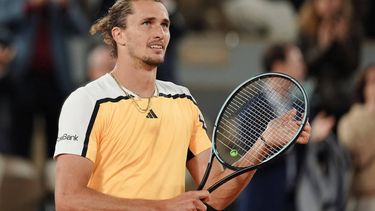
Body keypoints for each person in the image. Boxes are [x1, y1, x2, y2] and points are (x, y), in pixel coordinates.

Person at [53, 1, 311, 210]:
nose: (159, 33)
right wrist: (163, 206)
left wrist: (263, 143)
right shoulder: (86, 101)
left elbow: (216, 195)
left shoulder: (182, 101)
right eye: (147, 23)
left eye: (164, 25)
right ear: (118, 34)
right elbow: (68, 198)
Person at [236, 42, 308, 211]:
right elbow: (247, 158)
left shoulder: (299, 106)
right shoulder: (251, 110)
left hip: (290, 200)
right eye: (297, 61)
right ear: (279, 66)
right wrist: (287, 141)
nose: (303, 66)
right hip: (260, 200)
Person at [297, 0, 362, 124]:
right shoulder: (305, 28)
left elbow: (353, 65)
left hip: (343, 95)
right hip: (312, 94)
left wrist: (343, 42)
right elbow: (303, 67)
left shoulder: (352, 28)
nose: (328, 3)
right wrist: (322, 46)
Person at [337, 64, 375, 211]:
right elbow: (354, 156)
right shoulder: (350, 120)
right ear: (364, 88)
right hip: (364, 198)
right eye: (372, 82)